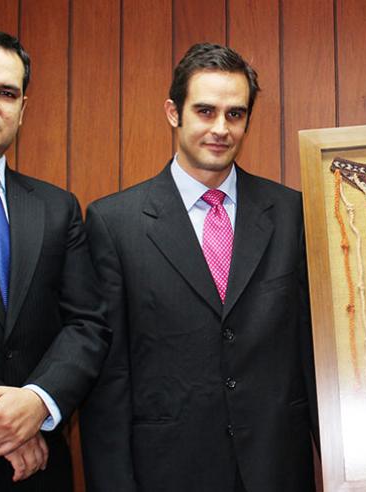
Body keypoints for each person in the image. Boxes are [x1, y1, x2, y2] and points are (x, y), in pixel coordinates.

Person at [79, 43, 318, 492]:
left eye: (235, 114)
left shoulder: (291, 215)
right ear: (174, 112)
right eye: (205, 111)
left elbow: (314, 351)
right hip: (167, 471)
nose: (220, 129)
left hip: (277, 468)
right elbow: (109, 377)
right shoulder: (115, 223)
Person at [0, 29, 111, 490]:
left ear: (23, 110)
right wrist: (6, 422)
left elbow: (88, 323)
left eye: (7, 92)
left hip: (35, 471)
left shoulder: (56, 207)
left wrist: (39, 401)